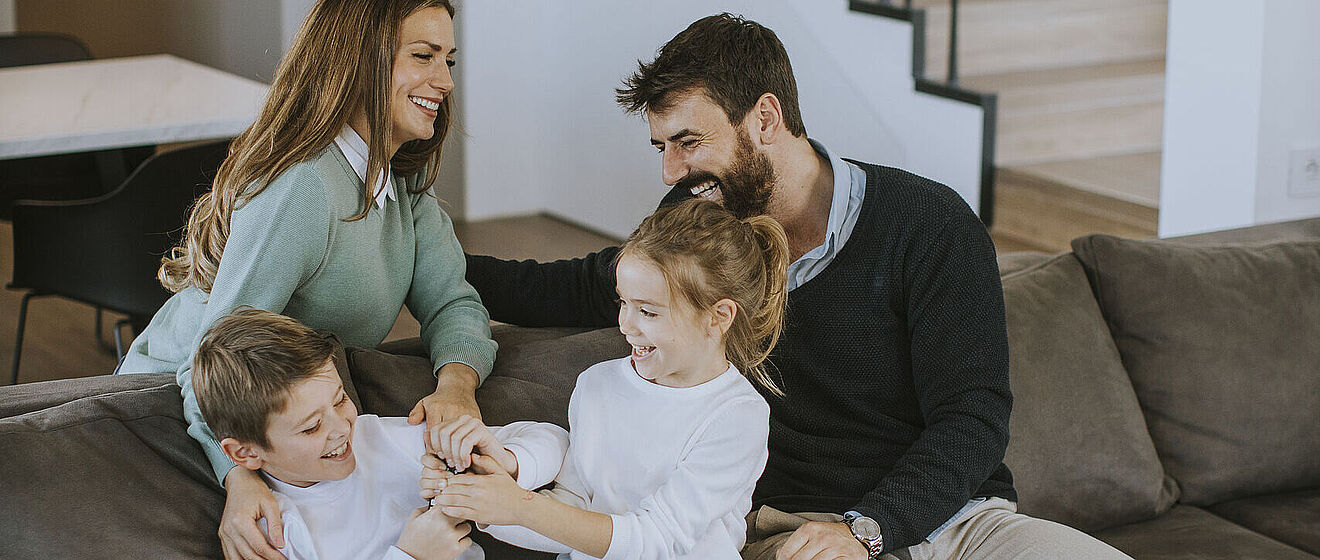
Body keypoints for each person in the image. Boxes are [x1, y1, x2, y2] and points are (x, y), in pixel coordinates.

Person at [464, 13, 1132, 560]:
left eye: (689, 141)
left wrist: (869, 529)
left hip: (957, 528)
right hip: (795, 534)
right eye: (661, 146)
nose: (672, 169)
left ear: (764, 118)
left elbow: (973, 418)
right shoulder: (694, 230)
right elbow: (574, 287)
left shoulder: (929, 225)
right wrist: (426, 262)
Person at [118, 1, 495, 558]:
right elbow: (215, 353)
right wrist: (238, 476)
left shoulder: (399, 181)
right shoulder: (301, 188)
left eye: (449, 60)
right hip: (187, 403)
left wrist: (456, 387)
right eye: (423, 56)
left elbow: (453, 303)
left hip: (287, 424)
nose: (442, 80)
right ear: (359, 59)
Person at [425, 199, 790, 558]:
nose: (625, 325)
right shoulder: (596, 384)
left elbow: (658, 540)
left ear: (719, 317)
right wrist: (478, 501)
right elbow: (571, 512)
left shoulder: (737, 416)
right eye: (623, 303)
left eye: (647, 311)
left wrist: (519, 506)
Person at [192, 308, 567, 560]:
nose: (341, 429)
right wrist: (411, 555)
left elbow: (553, 439)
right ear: (245, 454)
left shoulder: (381, 439)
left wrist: (507, 463)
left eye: (340, 401)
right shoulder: (271, 531)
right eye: (311, 427)